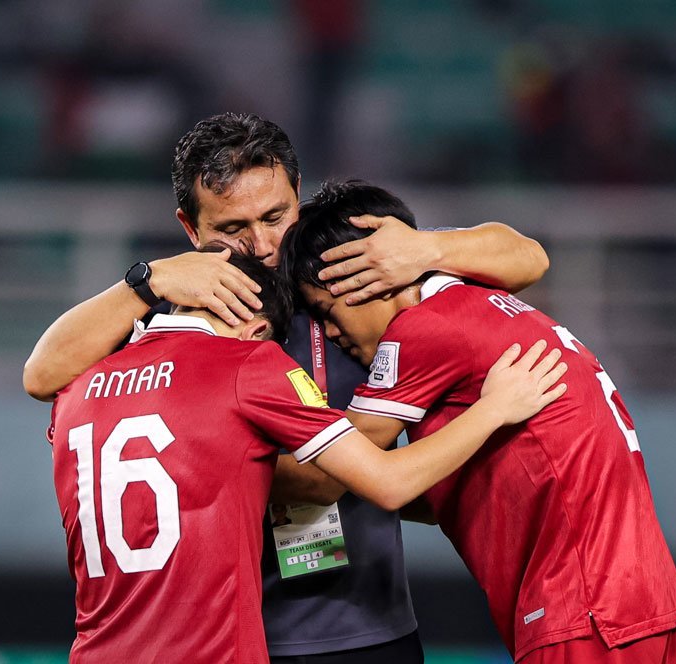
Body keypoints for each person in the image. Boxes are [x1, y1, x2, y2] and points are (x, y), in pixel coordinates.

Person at [24, 112, 551, 661]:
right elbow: (41, 374)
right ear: (190, 228)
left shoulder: (353, 266)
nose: (263, 245)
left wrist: (428, 250)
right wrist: (146, 280)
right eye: (232, 229)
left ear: (299, 193)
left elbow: (529, 257)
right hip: (236, 640)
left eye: (275, 216)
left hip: (374, 627)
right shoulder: (176, 310)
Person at [48, 250, 567, 662]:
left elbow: (42, 376)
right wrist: (495, 409)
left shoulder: (79, 386)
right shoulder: (249, 362)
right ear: (256, 329)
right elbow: (387, 483)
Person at [282, 180, 676, 664]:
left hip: (581, 609)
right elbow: (434, 497)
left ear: (364, 277)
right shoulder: (487, 303)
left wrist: (244, 471)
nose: (330, 333)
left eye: (328, 311)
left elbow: (346, 472)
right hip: (639, 601)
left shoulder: (423, 329)